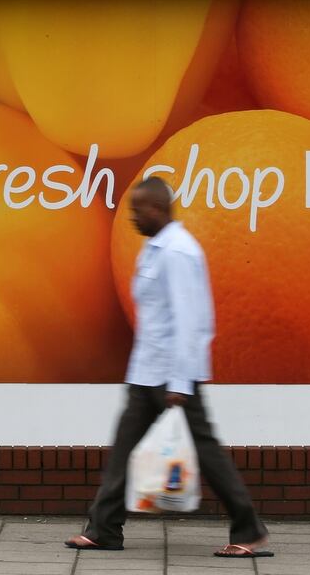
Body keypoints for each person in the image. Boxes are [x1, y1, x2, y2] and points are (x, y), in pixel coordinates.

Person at [65, 176, 272, 559]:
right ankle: (104, 529)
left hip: (174, 375)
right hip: (146, 373)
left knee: (208, 454)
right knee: (124, 450)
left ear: (157, 209)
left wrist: (180, 381)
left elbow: (193, 319)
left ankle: (250, 530)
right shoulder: (154, 249)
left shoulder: (178, 252)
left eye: (137, 210)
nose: (131, 217)